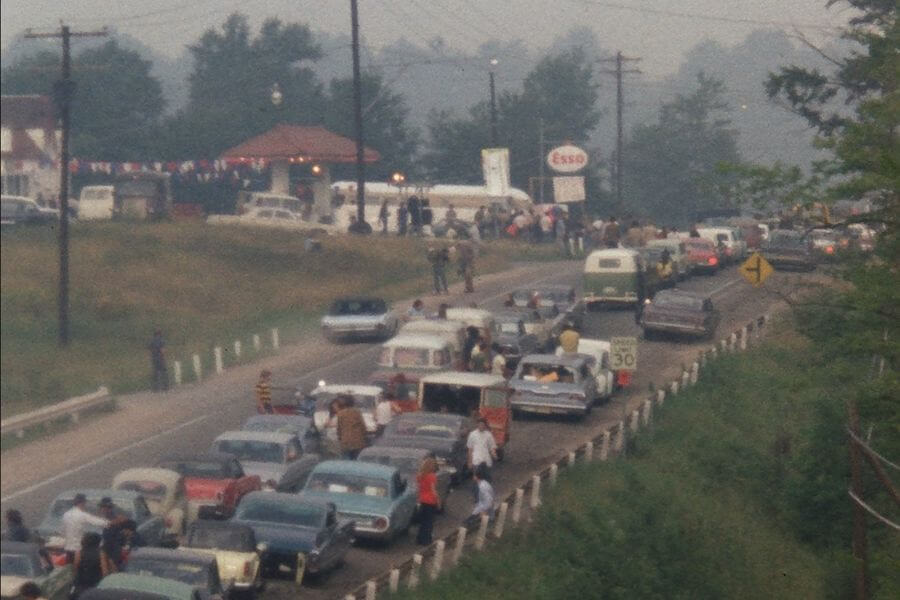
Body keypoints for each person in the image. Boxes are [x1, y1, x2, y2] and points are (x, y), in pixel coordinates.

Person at [62, 494, 109, 563]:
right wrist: (109, 522)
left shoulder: (66, 515)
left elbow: (63, 531)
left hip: (68, 549)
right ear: (83, 503)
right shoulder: (82, 515)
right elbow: (100, 522)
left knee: (69, 570)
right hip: (79, 550)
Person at [70, 532, 111, 598]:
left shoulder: (79, 552)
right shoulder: (101, 553)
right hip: (95, 582)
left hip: (81, 582)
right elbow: (105, 571)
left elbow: (75, 567)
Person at [415, 457, 441, 545]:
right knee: (429, 522)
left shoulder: (420, 476)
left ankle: (419, 539)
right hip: (430, 501)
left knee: (423, 521)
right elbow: (433, 490)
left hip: (422, 500)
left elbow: (420, 487)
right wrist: (438, 501)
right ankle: (426, 540)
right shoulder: (432, 476)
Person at [336, 395, 367, 459]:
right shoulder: (357, 412)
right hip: (357, 441)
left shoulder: (340, 413)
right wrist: (364, 436)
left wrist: (340, 437)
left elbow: (339, 428)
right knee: (357, 460)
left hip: (345, 441)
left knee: (346, 461)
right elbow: (363, 426)